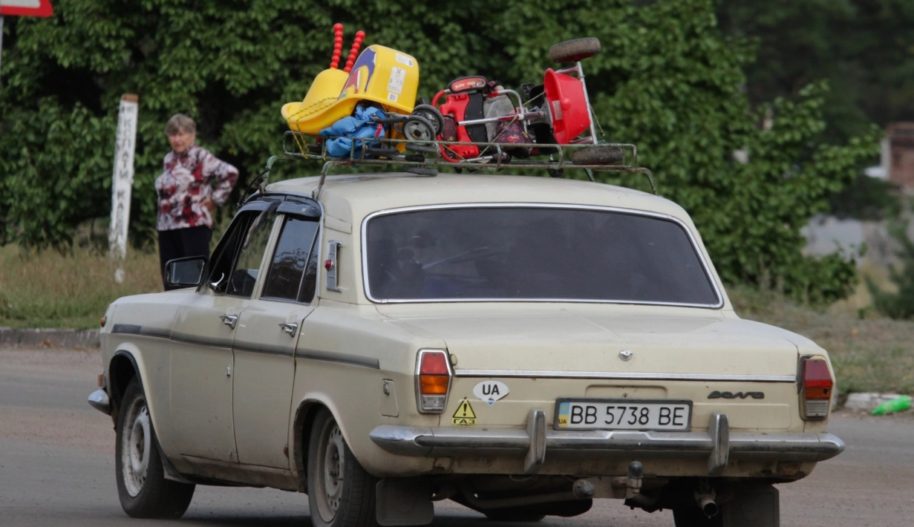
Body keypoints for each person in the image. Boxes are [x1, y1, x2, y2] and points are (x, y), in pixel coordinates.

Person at [155, 113, 239, 289]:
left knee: (192, 279)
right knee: (171, 279)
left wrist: (215, 200)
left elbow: (230, 173)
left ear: (192, 135)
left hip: (193, 226)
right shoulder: (168, 159)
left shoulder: (201, 157)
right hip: (167, 227)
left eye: (181, 134)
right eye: (173, 134)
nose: (177, 139)